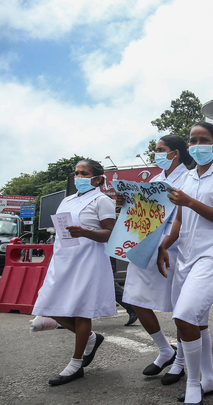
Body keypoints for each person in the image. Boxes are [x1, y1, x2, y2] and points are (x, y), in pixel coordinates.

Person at [157, 122, 213, 405]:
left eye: (203, 140)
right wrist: (165, 245)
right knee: (196, 322)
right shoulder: (186, 179)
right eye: (192, 140)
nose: (196, 145)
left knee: (185, 316)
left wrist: (190, 202)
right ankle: (209, 379)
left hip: (211, 255)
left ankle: (194, 384)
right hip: (186, 258)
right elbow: (178, 220)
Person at [32, 159, 117, 385]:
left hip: (88, 261)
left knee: (81, 311)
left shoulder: (102, 200)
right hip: (63, 259)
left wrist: (85, 232)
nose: (78, 177)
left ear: (97, 178)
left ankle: (76, 364)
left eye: (84, 173)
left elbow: (110, 233)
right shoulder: (67, 200)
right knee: (49, 305)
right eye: (77, 173)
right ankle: (90, 338)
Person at [119, 135, 190, 383]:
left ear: (175, 153)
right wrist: (126, 203)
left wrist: (165, 243)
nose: (156, 153)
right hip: (146, 245)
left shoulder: (189, 178)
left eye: (161, 149)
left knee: (181, 308)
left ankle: (180, 361)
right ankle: (164, 349)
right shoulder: (155, 180)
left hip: (175, 247)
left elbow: (184, 218)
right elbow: (143, 214)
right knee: (135, 297)